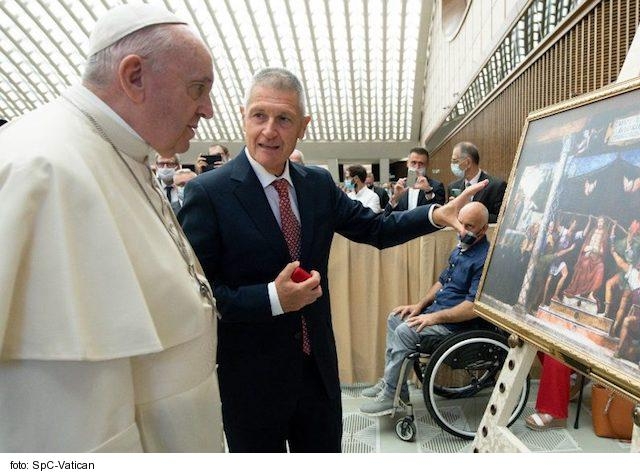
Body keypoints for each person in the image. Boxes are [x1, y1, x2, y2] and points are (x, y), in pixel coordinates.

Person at [178, 67, 488, 453]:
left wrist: (432, 215)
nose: (269, 130)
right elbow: (202, 296)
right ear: (243, 115)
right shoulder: (209, 194)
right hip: (252, 382)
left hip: (317, 374)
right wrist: (273, 299)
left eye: (284, 118)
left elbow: (374, 228)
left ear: (303, 126)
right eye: (259, 115)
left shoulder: (317, 185)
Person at [0, 3, 223, 452]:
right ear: (134, 76)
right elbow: (59, 411)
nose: (209, 110)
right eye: (197, 89)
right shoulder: (42, 168)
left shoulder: (126, 153)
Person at [359, 202, 491, 415]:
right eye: (461, 224)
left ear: (483, 229)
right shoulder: (461, 249)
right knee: (396, 317)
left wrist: (434, 318)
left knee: (405, 331)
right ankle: (394, 387)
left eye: (470, 226)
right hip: (439, 313)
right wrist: (419, 306)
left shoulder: (484, 259)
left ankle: (391, 394)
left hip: (457, 326)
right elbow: (442, 282)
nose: (463, 231)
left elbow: (471, 308)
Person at [447, 141, 507, 223]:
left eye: (455, 161)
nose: (452, 164)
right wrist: (451, 209)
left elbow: (500, 219)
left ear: (467, 162)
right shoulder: (453, 187)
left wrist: (470, 209)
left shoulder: (497, 186)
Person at [386, 147, 445, 213]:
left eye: (421, 164)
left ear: (427, 165)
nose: (416, 167)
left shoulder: (436, 186)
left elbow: (440, 213)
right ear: (407, 163)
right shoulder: (400, 186)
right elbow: (387, 216)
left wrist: (428, 191)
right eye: (413, 162)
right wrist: (395, 198)